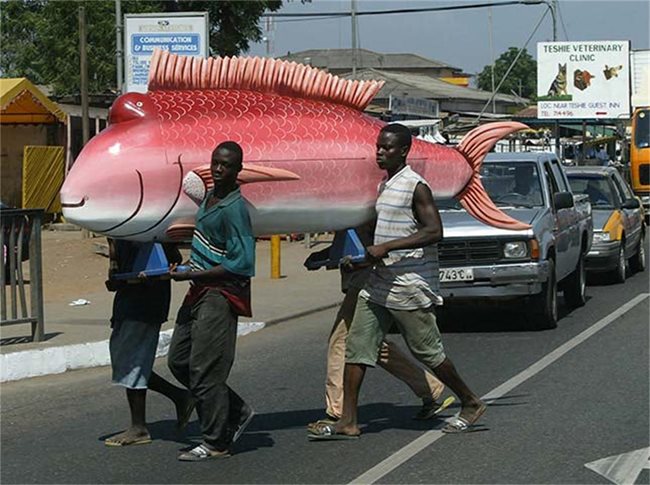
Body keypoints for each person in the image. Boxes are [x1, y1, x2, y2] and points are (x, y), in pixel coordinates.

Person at [308, 124, 486, 440]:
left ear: (403, 151)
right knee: (357, 347)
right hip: (379, 283)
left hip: (409, 284)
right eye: (378, 146)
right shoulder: (385, 186)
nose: (380, 152)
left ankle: (470, 401)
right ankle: (348, 420)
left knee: (427, 352)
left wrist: (386, 248)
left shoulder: (416, 186)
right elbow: (382, 233)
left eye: (387, 148)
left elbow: (434, 231)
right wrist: (356, 256)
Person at [304, 224, 453, 429]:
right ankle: (430, 389)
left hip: (369, 279)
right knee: (370, 344)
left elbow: (376, 243)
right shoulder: (352, 206)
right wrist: (325, 255)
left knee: (341, 341)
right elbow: (350, 241)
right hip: (365, 279)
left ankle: (338, 412)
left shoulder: (367, 206)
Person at [167, 141, 256, 461]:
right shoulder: (209, 198)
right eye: (216, 163)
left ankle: (216, 441)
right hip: (199, 289)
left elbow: (243, 262)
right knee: (178, 360)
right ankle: (235, 409)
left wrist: (198, 274)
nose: (219, 169)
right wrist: (188, 268)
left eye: (227, 165)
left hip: (220, 294)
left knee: (205, 368)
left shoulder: (234, 209)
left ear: (238, 170)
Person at [104, 238, 195, 447]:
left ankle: (139, 427)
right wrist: (117, 278)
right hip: (127, 300)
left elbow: (172, 260)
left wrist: (152, 274)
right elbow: (114, 269)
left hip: (147, 302)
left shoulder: (146, 230)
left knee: (133, 362)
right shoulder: (117, 233)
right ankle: (180, 397)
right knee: (126, 361)